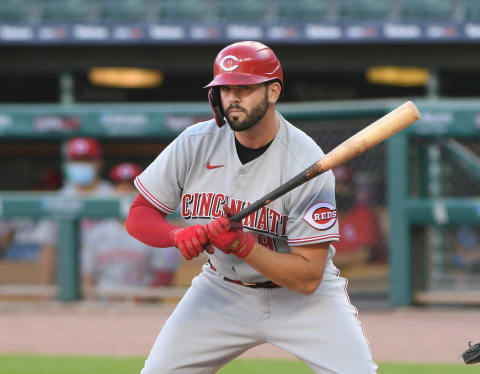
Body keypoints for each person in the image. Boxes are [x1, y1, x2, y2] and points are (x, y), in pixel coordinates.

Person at [126, 41, 377, 374]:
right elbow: (139, 214)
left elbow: (307, 277)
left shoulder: (305, 161)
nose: (233, 97)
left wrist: (242, 245)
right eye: (226, 88)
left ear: (272, 92)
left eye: (244, 88)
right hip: (221, 290)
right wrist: (178, 235)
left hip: (303, 303)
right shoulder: (194, 142)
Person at [82, 163, 180, 297]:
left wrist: (144, 299)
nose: (124, 190)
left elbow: (165, 276)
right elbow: (87, 278)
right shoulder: (97, 233)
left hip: (142, 306)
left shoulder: (158, 230)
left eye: (132, 186)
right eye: (119, 185)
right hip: (103, 304)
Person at [33, 137, 114, 284]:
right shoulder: (58, 198)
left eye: (87, 160)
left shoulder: (112, 196)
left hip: (107, 279)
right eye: (76, 160)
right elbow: (48, 248)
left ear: (98, 162)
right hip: (68, 278)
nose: (81, 165)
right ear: (68, 164)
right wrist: (44, 288)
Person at [332, 165, 384, 269]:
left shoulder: (364, 214)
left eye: (344, 185)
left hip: (363, 278)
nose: (339, 189)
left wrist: (328, 262)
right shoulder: (319, 216)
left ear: (352, 188)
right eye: (335, 185)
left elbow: (365, 255)